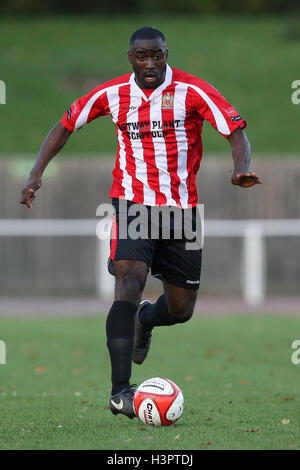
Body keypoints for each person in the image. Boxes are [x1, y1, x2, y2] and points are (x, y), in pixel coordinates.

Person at [20, 26, 263, 420]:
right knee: (128, 278)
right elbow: (65, 124)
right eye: (142, 56)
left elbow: (235, 131)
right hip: (132, 204)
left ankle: (145, 319)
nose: (150, 63)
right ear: (130, 57)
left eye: (157, 55)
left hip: (182, 211)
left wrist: (241, 169)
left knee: (181, 309)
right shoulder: (111, 93)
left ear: (167, 54)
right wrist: (35, 173)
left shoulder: (193, 90)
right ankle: (120, 392)